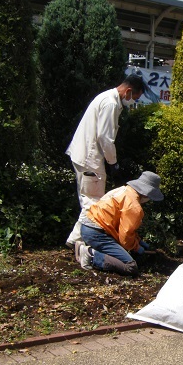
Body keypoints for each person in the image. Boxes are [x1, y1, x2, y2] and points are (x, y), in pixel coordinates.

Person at [64, 71, 146, 249]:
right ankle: (77, 241)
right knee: (93, 202)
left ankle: (76, 239)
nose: (133, 101)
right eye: (135, 97)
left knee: (90, 199)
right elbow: (105, 138)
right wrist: (113, 163)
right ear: (128, 91)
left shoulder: (107, 98)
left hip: (85, 155)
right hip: (90, 158)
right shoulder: (110, 104)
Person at [76, 171, 163, 276]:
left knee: (120, 253)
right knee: (131, 267)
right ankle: (90, 255)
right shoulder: (134, 206)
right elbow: (125, 238)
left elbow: (123, 227)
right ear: (146, 193)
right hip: (97, 233)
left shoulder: (123, 190)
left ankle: (87, 248)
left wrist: (139, 241)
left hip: (88, 227)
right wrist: (137, 247)